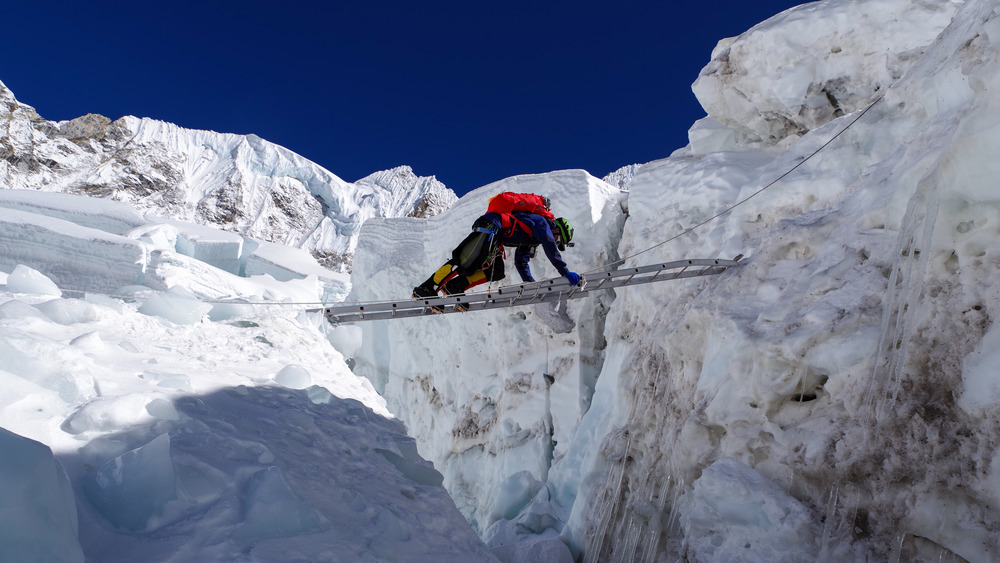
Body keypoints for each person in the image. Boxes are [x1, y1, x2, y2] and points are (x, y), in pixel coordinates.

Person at [412, 195, 581, 299]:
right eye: (558, 239)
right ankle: (427, 288)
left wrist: (530, 284)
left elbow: (520, 260)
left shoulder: (532, 237)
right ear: (557, 228)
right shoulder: (542, 224)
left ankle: (455, 287)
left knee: (497, 270)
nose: (555, 241)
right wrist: (565, 272)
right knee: (464, 260)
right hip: (490, 227)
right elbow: (550, 248)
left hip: (496, 238)